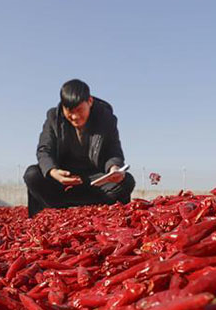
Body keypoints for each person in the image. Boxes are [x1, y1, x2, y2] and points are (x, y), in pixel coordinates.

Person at [23, 79, 135, 217]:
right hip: (63, 180)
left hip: (94, 181)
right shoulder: (53, 117)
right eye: (69, 111)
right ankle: (57, 208)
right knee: (32, 175)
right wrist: (53, 171)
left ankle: (77, 207)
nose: (75, 117)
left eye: (79, 110)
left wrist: (114, 169)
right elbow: (44, 149)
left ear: (90, 101)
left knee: (127, 181)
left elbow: (113, 151)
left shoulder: (106, 118)